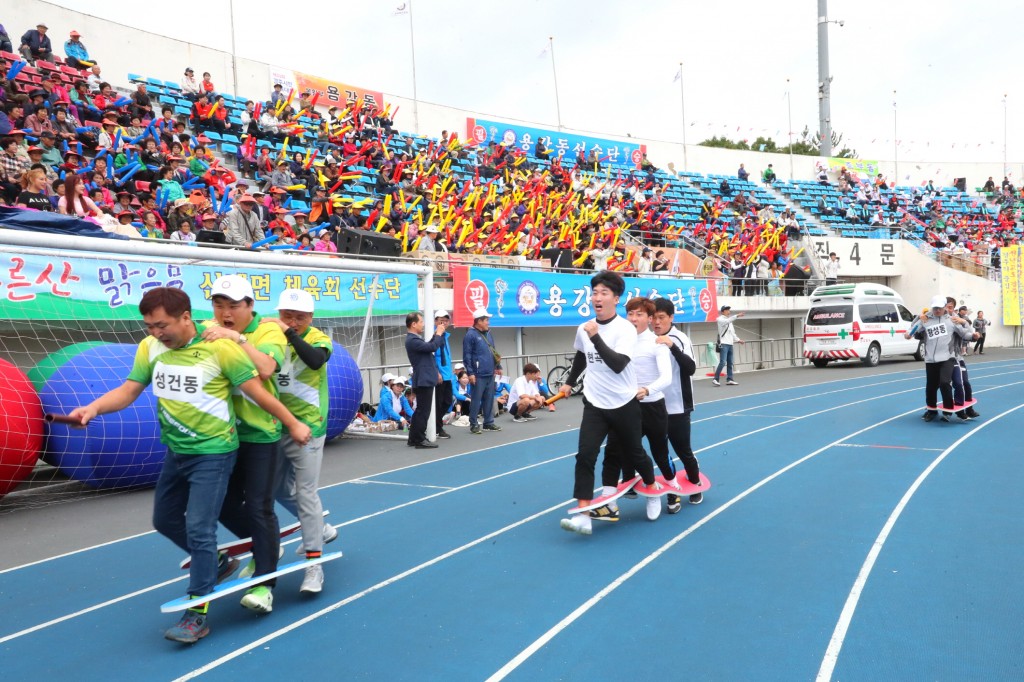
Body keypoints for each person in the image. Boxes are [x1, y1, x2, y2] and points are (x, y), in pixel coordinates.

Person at [68, 287, 310, 644]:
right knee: (164, 519)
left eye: (161, 325)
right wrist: (93, 408)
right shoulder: (150, 348)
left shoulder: (220, 348)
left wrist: (292, 423)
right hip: (176, 452)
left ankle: (197, 613)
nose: (155, 333)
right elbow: (130, 389)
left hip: (214, 452)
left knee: (200, 527)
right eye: (149, 326)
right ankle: (216, 563)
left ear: (185, 318)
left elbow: (259, 393)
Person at [200, 275, 289, 614]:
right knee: (219, 503)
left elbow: (266, 368)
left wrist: (236, 338)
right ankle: (264, 544)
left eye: (233, 306)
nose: (225, 313)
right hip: (223, 435)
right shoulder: (208, 328)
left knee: (258, 505)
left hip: (260, 433)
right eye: (219, 305)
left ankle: (265, 585)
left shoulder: (267, 330)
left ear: (249, 306)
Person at [557, 271, 660, 536]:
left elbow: (618, 364)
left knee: (635, 453)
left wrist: (595, 337)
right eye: (594, 293)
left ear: (616, 298)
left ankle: (652, 491)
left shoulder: (625, 329)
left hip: (624, 402)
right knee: (585, 455)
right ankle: (583, 515)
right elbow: (581, 354)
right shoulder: (585, 327)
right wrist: (570, 382)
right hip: (595, 403)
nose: (597, 298)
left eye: (604, 293)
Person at [265, 289, 338, 594]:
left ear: (310, 318)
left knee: (306, 491)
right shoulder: (268, 337)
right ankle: (320, 528)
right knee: (277, 489)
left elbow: (316, 361)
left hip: (308, 427)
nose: (292, 321)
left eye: (299, 317)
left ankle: (313, 567)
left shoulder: (319, 338)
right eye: (287, 315)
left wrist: (290, 334)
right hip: (275, 425)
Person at [597, 297, 676, 521]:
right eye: (630, 313)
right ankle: (609, 500)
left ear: (649, 319)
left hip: (652, 407)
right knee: (614, 451)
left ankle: (663, 491)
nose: (633, 318)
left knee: (659, 452)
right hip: (623, 406)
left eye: (639, 314)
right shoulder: (619, 341)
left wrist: (647, 390)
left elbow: (666, 377)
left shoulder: (656, 342)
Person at [651, 297, 703, 510]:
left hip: (678, 405)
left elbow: (691, 368)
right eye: (653, 317)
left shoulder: (680, 338)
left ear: (671, 317)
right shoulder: (647, 339)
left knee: (683, 450)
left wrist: (671, 345)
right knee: (661, 452)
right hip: (653, 405)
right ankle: (672, 491)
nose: (656, 322)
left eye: (661, 317)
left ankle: (695, 482)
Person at [907, 295, 974, 423]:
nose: (937, 310)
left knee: (945, 382)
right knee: (931, 386)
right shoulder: (925, 319)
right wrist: (909, 332)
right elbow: (913, 329)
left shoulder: (952, 320)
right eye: (935, 308)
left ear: (945, 308)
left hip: (948, 357)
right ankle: (931, 410)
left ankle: (948, 410)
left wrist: (973, 336)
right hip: (931, 358)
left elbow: (964, 333)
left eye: (940, 308)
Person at [404, 311, 448, 449]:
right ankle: (419, 439)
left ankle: (413, 438)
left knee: (421, 410)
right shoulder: (412, 340)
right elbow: (432, 347)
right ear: (414, 324)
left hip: (423, 378)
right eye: (421, 322)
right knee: (423, 411)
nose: (423, 324)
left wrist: (436, 335)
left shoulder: (414, 339)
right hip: (423, 378)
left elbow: (429, 345)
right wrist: (439, 334)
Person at [462, 308, 502, 435]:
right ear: (479, 321)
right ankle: (473, 423)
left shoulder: (488, 333)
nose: (488, 322)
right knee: (476, 399)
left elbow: (493, 351)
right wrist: (471, 373)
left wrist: (498, 366)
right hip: (478, 374)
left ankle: (488, 423)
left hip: (490, 372)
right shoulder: (470, 335)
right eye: (486, 320)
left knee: (489, 398)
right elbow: (467, 355)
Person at [432, 310, 455, 440]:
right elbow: (431, 356)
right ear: (435, 322)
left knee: (447, 401)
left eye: (446, 320)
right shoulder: (435, 336)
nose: (444, 323)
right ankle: (437, 428)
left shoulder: (445, 337)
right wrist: (437, 372)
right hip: (439, 376)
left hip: (448, 375)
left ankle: (435, 423)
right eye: (441, 320)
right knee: (438, 403)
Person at [713, 305, 744, 386]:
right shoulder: (720, 319)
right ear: (723, 311)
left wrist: (738, 340)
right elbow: (727, 321)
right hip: (723, 344)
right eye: (727, 310)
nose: (728, 311)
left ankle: (729, 379)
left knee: (730, 362)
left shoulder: (730, 321)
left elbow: (732, 333)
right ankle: (715, 379)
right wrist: (737, 315)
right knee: (723, 362)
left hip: (730, 344)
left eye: (729, 310)